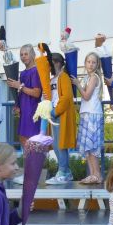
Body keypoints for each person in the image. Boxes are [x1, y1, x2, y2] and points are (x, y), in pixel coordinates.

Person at [8, 44, 42, 185]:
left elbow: (36, 93)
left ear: (32, 54)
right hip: (24, 110)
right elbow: (21, 91)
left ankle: (32, 176)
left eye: (26, 54)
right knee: (23, 140)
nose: (23, 57)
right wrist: (18, 105)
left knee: (31, 143)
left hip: (33, 111)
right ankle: (29, 174)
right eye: (21, 54)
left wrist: (19, 86)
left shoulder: (36, 71)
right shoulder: (22, 73)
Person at [47, 52, 77, 185]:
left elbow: (66, 97)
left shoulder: (63, 77)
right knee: (55, 144)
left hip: (60, 114)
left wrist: (55, 111)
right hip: (53, 113)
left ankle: (62, 171)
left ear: (58, 63)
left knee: (61, 144)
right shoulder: (51, 80)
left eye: (51, 64)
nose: (49, 67)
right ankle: (66, 171)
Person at [77, 51, 104, 184]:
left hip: (92, 113)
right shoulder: (87, 77)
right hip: (86, 112)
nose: (91, 64)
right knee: (87, 147)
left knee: (92, 146)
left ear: (97, 64)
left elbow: (86, 96)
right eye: (89, 62)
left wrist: (77, 84)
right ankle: (93, 174)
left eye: (93, 62)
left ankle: (97, 174)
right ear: (85, 63)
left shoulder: (94, 77)